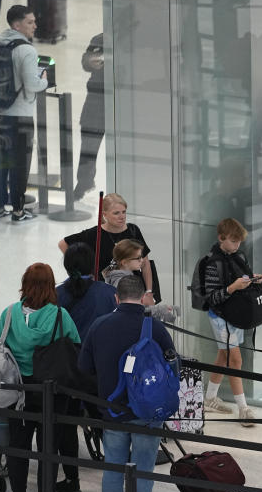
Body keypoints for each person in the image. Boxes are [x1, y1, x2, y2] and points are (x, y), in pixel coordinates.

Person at [77, 275, 175, 492]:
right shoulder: (154, 327)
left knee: (113, 470)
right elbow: (171, 366)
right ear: (144, 297)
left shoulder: (99, 325)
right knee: (142, 470)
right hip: (146, 411)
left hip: (112, 411)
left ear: (116, 298)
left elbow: (84, 368)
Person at [0, 263, 81, 492]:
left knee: (18, 446)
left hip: (17, 391)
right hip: (50, 392)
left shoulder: (9, 313)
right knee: (48, 449)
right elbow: (75, 345)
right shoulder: (59, 315)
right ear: (50, 285)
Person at [53, 242, 117, 492]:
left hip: (68, 370)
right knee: (106, 423)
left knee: (67, 425)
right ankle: (119, 474)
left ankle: (72, 480)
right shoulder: (109, 293)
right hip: (99, 371)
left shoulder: (57, 295)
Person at [200, 218, 262, 423]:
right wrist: (233, 287)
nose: (237, 245)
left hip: (235, 315)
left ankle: (209, 398)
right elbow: (211, 298)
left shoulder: (239, 256)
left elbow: (240, 278)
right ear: (221, 238)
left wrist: (253, 279)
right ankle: (244, 409)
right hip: (221, 316)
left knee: (223, 356)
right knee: (235, 360)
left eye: (239, 242)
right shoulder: (211, 263)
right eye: (233, 241)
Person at [0, 5, 48, 222]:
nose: (35, 25)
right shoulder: (27, 50)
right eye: (30, 22)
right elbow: (32, 85)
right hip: (20, 115)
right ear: (17, 25)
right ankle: (18, 210)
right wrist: (45, 79)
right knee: (19, 163)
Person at [59, 193, 156, 296]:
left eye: (124, 212)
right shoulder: (94, 234)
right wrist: (81, 271)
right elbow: (63, 244)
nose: (122, 217)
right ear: (105, 214)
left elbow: (145, 263)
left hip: (133, 291)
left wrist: (149, 292)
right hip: (104, 292)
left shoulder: (133, 231)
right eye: (116, 213)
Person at [103, 239, 176, 322]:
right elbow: (132, 308)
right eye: (138, 258)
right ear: (124, 262)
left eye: (141, 257)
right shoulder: (123, 281)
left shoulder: (120, 276)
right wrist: (159, 311)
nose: (142, 260)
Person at [73, 33, 105, 200]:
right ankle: (84, 182)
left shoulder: (135, 38)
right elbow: (86, 60)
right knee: (89, 141)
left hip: (124, 97)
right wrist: (90, 62)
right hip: (97, 98)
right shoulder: (100, 39)